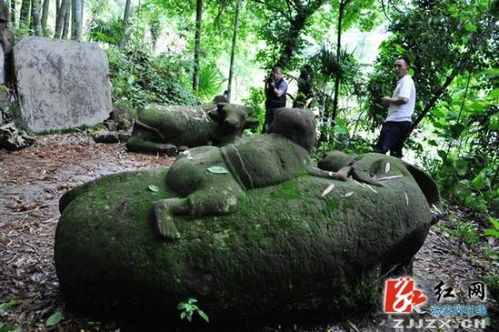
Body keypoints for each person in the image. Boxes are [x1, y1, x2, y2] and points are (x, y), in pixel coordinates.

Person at [374, 57, 416, 158]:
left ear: (407, 67)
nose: (396, 68)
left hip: (396, 122)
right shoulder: (404, 81)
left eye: (400, 66)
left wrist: (388, 100)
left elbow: (404, 99)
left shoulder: (406, 81)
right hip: (402, 121)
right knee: (395, 154)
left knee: (379, 151)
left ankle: (367, 171)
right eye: (395, 66)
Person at [262, 67, 287, 133]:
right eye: (274, 73)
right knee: (267, 123)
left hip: (278, 108)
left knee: (275, 125)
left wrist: (273, 87)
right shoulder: (272, 82)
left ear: (281, 75)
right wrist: (266, 84)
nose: (276, 75)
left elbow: (278, 94)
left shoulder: (283, 83)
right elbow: (267, 93)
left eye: (278, 73)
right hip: (270, 107)